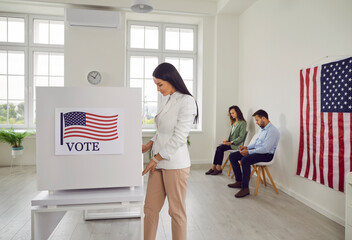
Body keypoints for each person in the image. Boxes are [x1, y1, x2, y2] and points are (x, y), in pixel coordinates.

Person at [142, 62, 198, 240]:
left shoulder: (187, 102)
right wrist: (149, 144)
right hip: (158, 163)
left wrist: (155, 158)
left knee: (176, 212)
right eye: (156, 85)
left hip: (175, 164)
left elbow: (179, 137)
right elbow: (163, 131)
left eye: (160, 84)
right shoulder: (166, 98)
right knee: (150, 209)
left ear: (170, 80)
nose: (158, 89)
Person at [227, 109, 280, 198]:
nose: (256, 123)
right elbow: (256, 144)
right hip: (258, 151)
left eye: (257, 120)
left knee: (245, 160)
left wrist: (248, 152)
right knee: (232, 156)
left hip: (267, 155)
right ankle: (239, 181)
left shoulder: (272, 131)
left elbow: (265, 149)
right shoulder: (262, 129)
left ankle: (245, 188)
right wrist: (246, 147)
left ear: (263, 118)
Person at [205, 105, 247, 175]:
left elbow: (241, 137)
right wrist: (227, 141)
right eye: (230, 113)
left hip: (237, 145)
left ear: (237, 112)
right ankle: (213, 167)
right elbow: (232, 136)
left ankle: (218, 168)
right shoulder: (234, 123)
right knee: (219, 147)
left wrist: (231, 142)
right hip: (231, 143)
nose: (231, 115)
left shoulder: (242, 123)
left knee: (221, 148)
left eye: (233, 113)